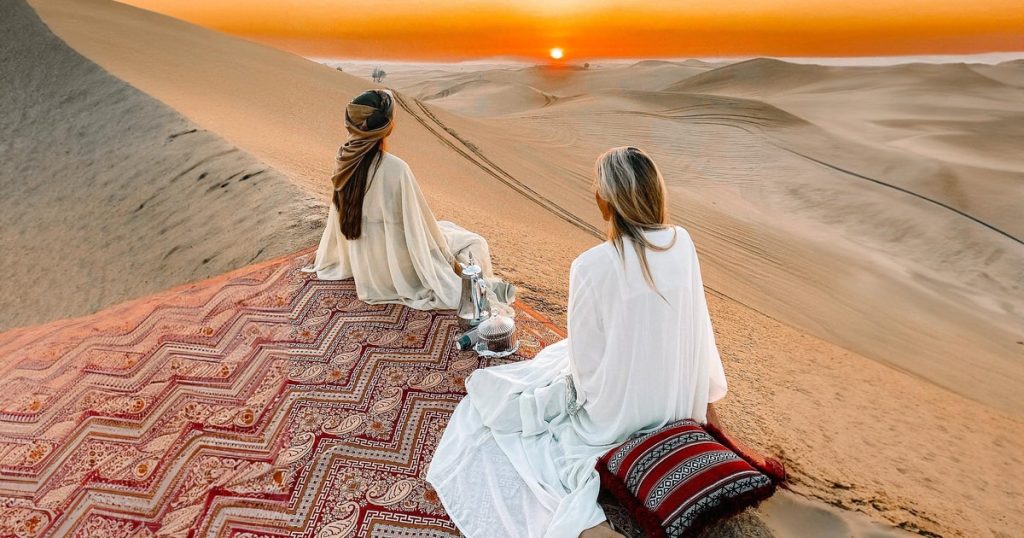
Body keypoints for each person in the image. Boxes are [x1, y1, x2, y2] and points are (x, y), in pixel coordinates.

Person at [426, 146, 729, 537]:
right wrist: (702, 407)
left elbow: (585, 369)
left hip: (613, 418)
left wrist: (564, 399)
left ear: (606, 203)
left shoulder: (590, 265)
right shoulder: (683, 242)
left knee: (505, 415)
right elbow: (697, 329)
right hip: (675, 403)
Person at [303, 89, 499, 310]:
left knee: (448, 229)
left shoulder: (343, 159)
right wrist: (447, 262)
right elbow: (419, 226)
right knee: (474, 242)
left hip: (364, 261)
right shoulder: (396, 169)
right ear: (387, 127)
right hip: (397, 265)